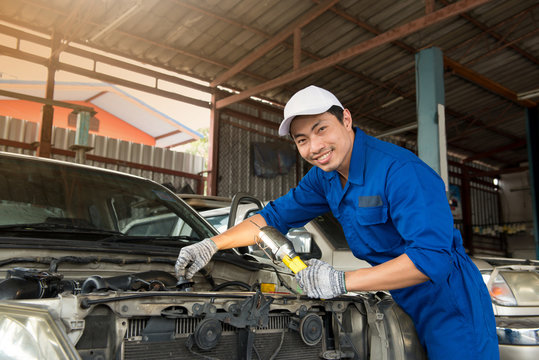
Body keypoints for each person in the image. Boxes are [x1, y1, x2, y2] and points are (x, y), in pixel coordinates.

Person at [175, 85, 499, 359]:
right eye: (302, 140)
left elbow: (432, 259)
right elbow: (270, 219)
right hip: (398, 298)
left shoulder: (400, 172)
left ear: (346, 119)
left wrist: (342, 281)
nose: (315, 147)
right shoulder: (323, 179)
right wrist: (211, 243)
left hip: (450, 304)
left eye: (321, 129)